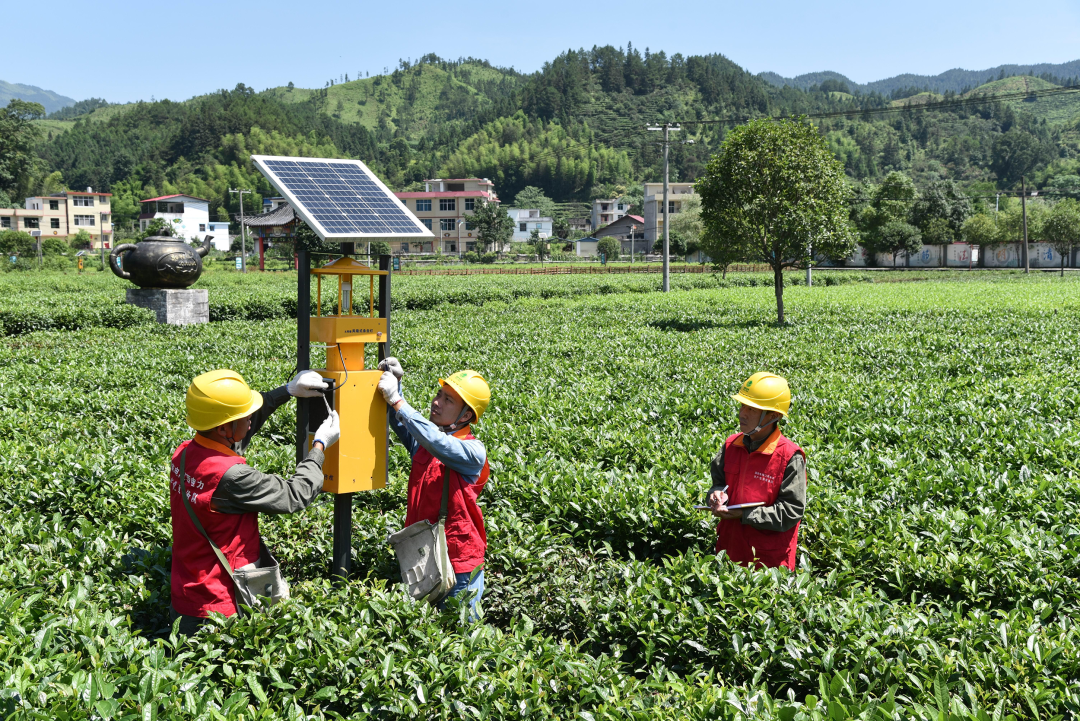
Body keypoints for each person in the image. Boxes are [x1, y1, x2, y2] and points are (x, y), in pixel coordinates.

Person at [169, 368, 340, 636]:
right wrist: (319, 446)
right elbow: (295, 494)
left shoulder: (186, 453)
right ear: (224, 427)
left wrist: (287, 391)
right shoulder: (232, 477)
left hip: (186, 595)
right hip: (220, 608)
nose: (250, 419)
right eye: (244, 415)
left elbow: (234, 436)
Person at [376, 359, 490, 614]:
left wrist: (398, 400)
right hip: (422, 558)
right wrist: (397, 384)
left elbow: (439, 442)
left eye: (448, 400)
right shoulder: (426, 441)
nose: (436, 402)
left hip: (458, 563)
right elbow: (406, 424)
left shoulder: (472, 451)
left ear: (467, 415)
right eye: (439, 393)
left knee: (461, 637)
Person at [706, 372, 806, 571]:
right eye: (743, 405)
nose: (742, 413)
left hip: (768, 563)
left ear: (774, 416)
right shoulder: (731, 445)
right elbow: (718, 482)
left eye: (752, 409)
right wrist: (715, 495)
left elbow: (791, 511)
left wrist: (745, 514)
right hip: (729, 551)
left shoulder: (789, 456)